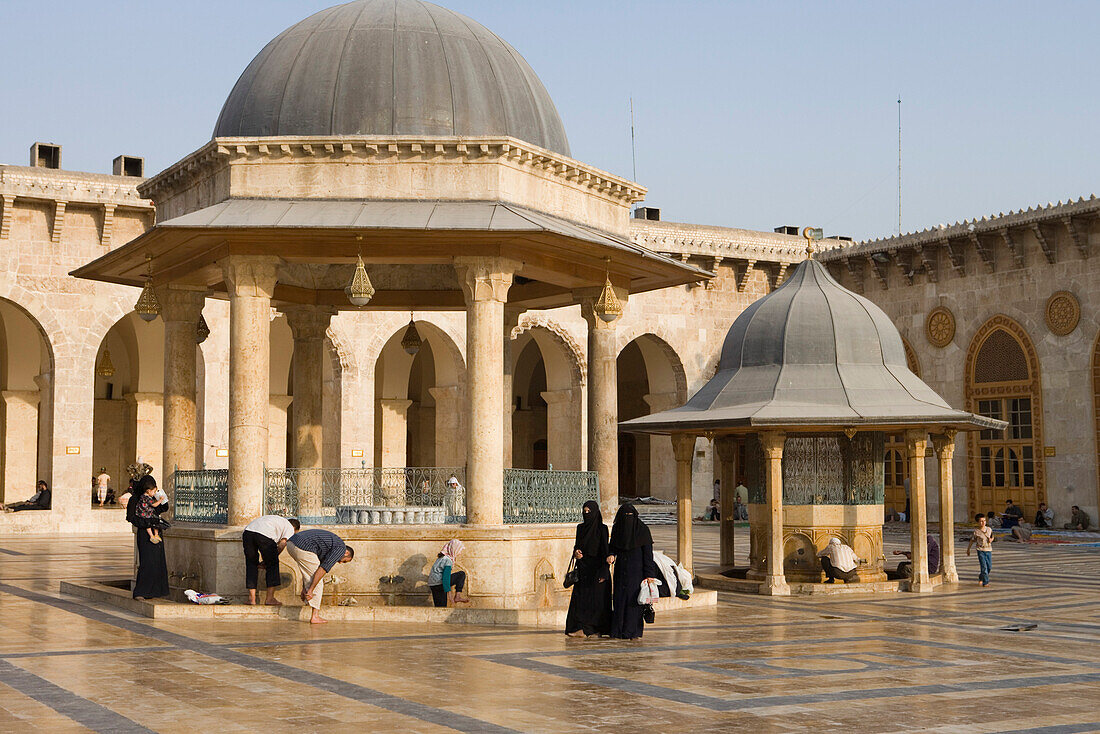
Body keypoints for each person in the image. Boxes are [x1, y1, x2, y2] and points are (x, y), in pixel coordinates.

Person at [607, 503, 659, 640]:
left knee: (634, 602)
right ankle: (618, 630)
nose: (627, 519)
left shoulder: (642, 530)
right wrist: (611, 554)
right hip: (621, 571)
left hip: (637, 573)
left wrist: (649, 575)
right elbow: (613, 547)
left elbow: (648, 555)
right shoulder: (618, 529)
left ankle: (633, 631)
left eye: (630, 516)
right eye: (625, 516)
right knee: (619, 600)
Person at [285, 528, 354, 624]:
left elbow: (309, 572)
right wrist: (311, 589)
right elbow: (323, 569)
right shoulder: (341, 548)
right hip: (303, 546)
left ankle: (311, 605)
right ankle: (315, 616)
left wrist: (304, 588)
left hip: (291, 544)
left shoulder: (330, 548)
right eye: (345, 561)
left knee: (313, 577)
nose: (340, 562)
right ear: (346, 553)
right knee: (318, 582)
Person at [565, 500, 611, 637]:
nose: (586, 514)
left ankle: (594, 629)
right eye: (584, 512)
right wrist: (576, 553)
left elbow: (605, 550)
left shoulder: (602, 529)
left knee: (596, 601)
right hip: (583, 568)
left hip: (597, 570)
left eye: (589, 512)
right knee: (581, 600)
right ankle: (579, 628)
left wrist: (604, 571)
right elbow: (577, 545)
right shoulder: (580, 528)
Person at [126, 475, 169, 600]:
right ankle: (141, 591)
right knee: (147, 562)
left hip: (156, 533)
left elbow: (162, 509)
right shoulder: (135, 500)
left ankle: (154, 591)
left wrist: (162, 499)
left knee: (157, 562)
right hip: (145, 533)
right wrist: (145, 523)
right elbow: (131, 517)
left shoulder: (152, 498)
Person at [242, 515, 301, 605]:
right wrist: (271, 558)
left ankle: (251, 599)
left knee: (251, 564)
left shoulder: (277, 520)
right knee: (272, 565)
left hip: (248, 532)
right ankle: (270, 599)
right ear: (294, 529)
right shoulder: (289, 527)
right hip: (264, 535)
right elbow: (282, 544)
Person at [427, 539, 470, 608]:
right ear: (455, 549)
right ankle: (457, 596)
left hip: (433, 585)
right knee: (461, 574)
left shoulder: (441, 557)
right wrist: (449, 595)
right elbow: (445, 578)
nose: (460, 553)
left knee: (440, 607)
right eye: (460, 550)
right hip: (439, 583)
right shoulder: (448, 560)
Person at [133, 480, 170, 544]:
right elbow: (154, 505)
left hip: (143, 514)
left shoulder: (142, 497)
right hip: (147, 514)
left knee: (148, 526)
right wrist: (161, 500)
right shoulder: (147, 498)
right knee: (154, 522)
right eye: (154, 491)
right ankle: (154, 535)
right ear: (149, 491)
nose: (154, 493)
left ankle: (153, 535)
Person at [967, 513, 994, 587]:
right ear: (978, 522)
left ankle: (981, 577)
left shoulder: (989, 529)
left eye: (984, 521)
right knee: (984, 567)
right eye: (981, 521)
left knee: (989, 567)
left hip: (988, 550)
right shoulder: (976, 531)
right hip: (980, 550)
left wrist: (991, 540)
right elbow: (972, 540)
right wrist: (968, 549)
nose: (983, 522)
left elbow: (992, 536)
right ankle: (986, 582)